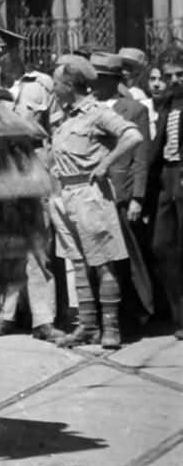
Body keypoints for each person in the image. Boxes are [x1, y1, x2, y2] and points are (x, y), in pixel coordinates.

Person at [45, 55, 141, 350]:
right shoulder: (65, 115)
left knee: (102, 260)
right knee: (78, 260)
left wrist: (106, 164)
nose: (53, 88)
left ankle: (110, 328)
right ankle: (88, 326)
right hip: (64, 195)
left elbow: (133, 135)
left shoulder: (96, 113)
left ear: (70, 84)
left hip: (90, 194)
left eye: (57, 82)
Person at [0, 26, 64, 341]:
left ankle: (43, 319)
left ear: (13, 52)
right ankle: (7, 314)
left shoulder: (40, 85)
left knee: (38, 246)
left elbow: (57, 129)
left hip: (34, 169)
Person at [92, 51, 154, 331]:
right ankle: (107, 315)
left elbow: (140, 159)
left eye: (100, 79)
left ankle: (142, 310)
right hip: (92, 192)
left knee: (128, 258)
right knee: (99, 258)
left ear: (112, 79)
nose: (94, 84)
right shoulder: (87, 107)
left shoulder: (133, 109)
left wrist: (137, 198)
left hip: (121, 192)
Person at [146, 47, 183, 339]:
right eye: (169, 75)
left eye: (179, 74)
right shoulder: (165, 106)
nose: (173, 80)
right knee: (161, 246)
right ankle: (177, 313)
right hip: (166, 179)